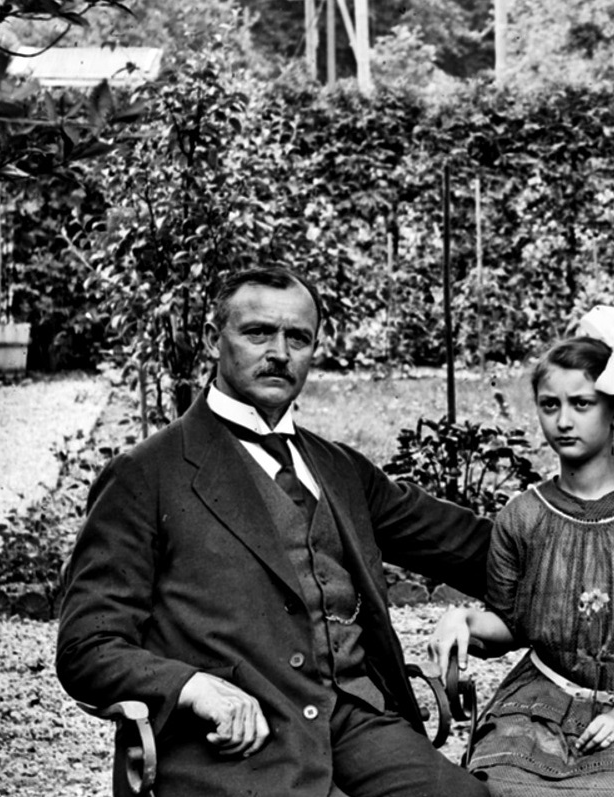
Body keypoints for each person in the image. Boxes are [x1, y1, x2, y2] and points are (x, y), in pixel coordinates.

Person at [56, 267, 491, 797]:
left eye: (298, 338)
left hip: (358, 724)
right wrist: (193, 686)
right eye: (258, 333)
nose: (280, 353)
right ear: (212, 339)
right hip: (236, 747)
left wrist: (584, 521)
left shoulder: (340, 469)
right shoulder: (146, 475)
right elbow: (87, 646)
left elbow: (478, 547)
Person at [429, 306, 614, 796]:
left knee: (605, 789)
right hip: (541, 698)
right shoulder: (523, 515)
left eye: (582, 404)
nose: (563, 420)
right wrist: (464, 620)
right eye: (549, 405)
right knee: (497, 784)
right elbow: (511, 626)